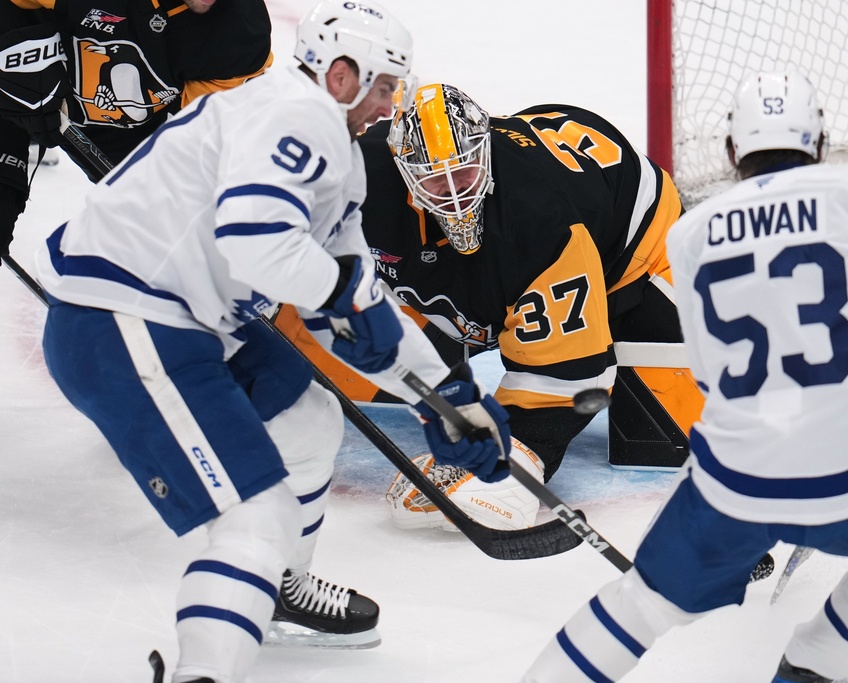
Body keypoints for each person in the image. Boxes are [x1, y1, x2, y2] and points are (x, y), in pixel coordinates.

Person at [33, 2, 510, 681]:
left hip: (190, 319)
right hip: (121, 317)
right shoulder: (293, 112)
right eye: (382, 85)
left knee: (308, 417)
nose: (389, 103)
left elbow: (351, 301)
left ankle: (279, 591)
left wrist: (444, 395)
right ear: (341, 75)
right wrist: (345, 295)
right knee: (254, 513)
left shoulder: (338, 155)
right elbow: (258, 243)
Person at [520, 71, 848, 683]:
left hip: (736, 482)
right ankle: (815, 668)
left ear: (733, 152)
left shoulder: (690, 236)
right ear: (821, 141)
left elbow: (718, 381)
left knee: (641, 604)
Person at [274, 82, 705, 532]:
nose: (454, 194)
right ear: (403, 169)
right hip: (495, 256)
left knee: (669, 436)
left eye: (463, 173)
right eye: (434, 179)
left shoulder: (539, 217)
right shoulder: (363, 174)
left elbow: (574, 369)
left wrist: (512, 455)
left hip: (636, 261)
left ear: (486, 150)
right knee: (316, 362)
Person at [0, 0, 275, 258]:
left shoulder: (239, 33)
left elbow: (202, 143)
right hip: (22, 78)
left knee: (173, 236)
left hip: (128, 125)